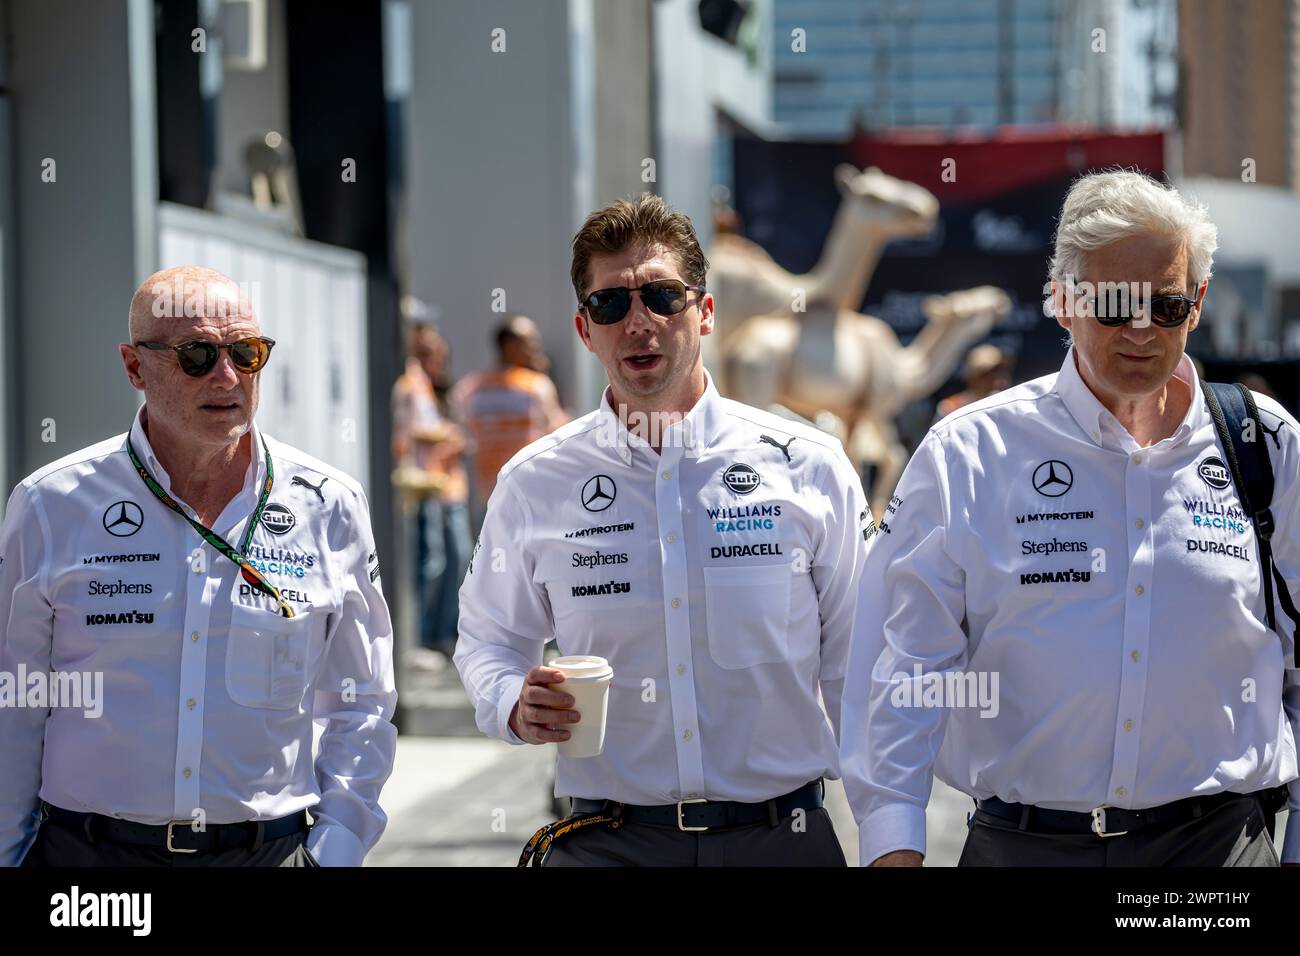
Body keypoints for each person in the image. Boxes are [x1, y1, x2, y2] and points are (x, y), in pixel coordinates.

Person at [841, 170, 1299, 867]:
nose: (1142, 329)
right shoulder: (970, 452)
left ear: (1198, 304)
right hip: (1025, 845)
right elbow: (904, 667)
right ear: (1062, 300)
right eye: (1115, 305)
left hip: (1217, 851)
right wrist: (893, 845)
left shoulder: (1266, 445)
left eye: (1167, 306)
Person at [455, 194, 869, 866]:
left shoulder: (809, 467)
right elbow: (487, 640)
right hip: (608, 843)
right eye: (611, 304)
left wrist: (890, 837)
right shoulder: (536, 482)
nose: (638, 321)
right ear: (585, 330)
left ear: (704, 313)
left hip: (779, 840)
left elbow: (861, 668)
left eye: (662, 296)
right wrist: (511, 703)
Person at [0, 265, 397, 866]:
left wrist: (337, 846)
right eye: (197, 355)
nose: (228, 376)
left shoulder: (328, 504)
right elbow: (16, 700)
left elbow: (361, 699)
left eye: (246, 352)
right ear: (135, 367)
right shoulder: (51, 503)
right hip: (91, 859)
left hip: (268, 853)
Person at [392, 323, 471, 665]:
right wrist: (443, 435)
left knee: (445, 560)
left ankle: (438, 635)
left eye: (439, 354)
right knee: (430, 562)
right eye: (427, 353)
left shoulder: (432, 387)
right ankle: (422, 637)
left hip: (441, 485)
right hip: (423, 484)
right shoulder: (410, 383)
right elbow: (409, 430)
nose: (435, 360)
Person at [451, 314, 568, 529]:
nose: (535, 349)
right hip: (532, 495)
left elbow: (459, 435)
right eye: (530, 342)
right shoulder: (537, 385)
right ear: (509, 345)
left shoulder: (471, 388)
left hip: (488, 497)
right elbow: (559, 434)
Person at [934, 344, 1013, 421]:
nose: (997, 380)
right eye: (988, 375)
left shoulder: (1006, 405)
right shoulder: (950, 407)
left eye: (1001, 372)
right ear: (974, 378)